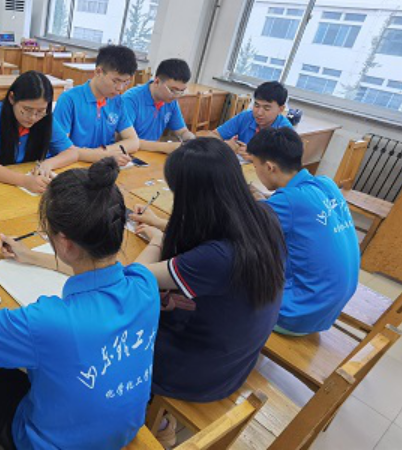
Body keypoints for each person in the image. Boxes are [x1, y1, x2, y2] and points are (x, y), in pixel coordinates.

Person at [0, 158, 160, 450]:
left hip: (53, 444)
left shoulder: (47, 321)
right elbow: (100, 270)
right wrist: (31, 256)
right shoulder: (145, 284)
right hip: (124, 430)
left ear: (64, 243)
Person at [129, 138, 284, 404]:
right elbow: (208, 232)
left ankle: (152, 415)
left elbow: (134, 278)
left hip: (200, 374)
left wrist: (157, 240)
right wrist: (160, 225)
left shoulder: (215, 258)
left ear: (192, 197)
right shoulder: (263, 216)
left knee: (115, 330)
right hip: (236, 360)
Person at [247, 127, 359, 335]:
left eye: (255, 165)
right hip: (328, 309)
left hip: (296, 314)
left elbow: (240, 227)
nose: (256, 172)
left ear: (270, 167)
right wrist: (265, 202)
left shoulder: (288, 202)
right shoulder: (326, 184)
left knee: (231, 267)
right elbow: (294, 211)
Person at [0, 71, 78, 193]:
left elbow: (72, 152)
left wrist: (47, 164)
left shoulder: (45, 118)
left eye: (40, 111)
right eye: (27, 110)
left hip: (25, 187)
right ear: (12, 98)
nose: (33, 117)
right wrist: (24, 181)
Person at [53, 45, 140, 166]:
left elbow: (133, 142)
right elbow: (61, 148)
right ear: (98, 72)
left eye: (125, 82)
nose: (120, 88)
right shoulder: (69, 99)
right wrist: (103, 155)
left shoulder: (117, 101)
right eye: (115, 81)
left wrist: (105, 153)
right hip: (73, 165)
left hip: (102, 167)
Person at [122, 58, 196, 154]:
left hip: (152, 153)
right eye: (173, 90)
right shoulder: (131, 99)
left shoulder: (171, 101)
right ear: (157, 82)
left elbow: (182, 131)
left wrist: (190, 139)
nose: (176, 96)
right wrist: (166, 147)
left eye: (181, 91)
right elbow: (127, 140)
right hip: (130, 154)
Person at [213, 81, 292, 158]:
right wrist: (223, 144)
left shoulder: (285, 130)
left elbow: (286, 161)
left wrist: (255, 157)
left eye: (267, 108)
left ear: (281, 109)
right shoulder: (246, 117)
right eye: (256, 105)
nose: (259, 113)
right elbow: (214, 134)